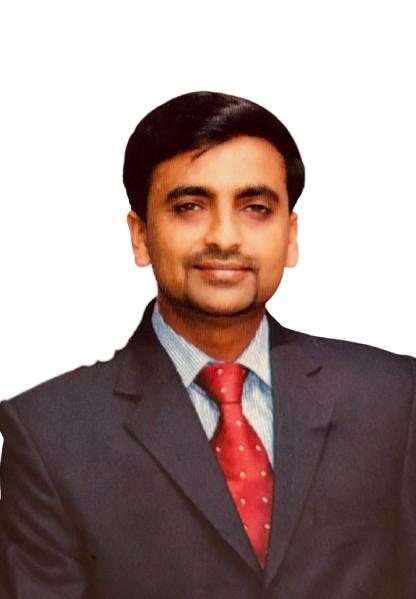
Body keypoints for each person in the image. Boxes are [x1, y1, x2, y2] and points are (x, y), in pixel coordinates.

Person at [0, 91, 414, 599]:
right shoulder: (49, 434)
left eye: (256, 208)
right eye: (190, 207)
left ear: (290, 236)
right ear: (140, 235)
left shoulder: (393, 399)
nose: (224, 237)